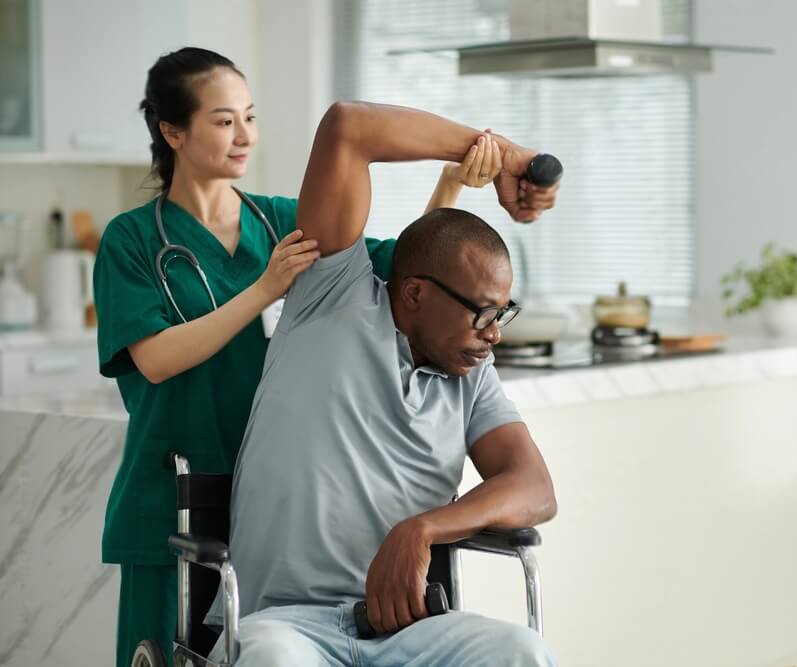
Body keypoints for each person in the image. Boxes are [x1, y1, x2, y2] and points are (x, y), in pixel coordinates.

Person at [93, 46, 530, 667]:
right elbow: (156, 360)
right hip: (175, 484)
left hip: (279, 486)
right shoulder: (132, 239)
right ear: (172, 131)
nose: (244, 135)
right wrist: (265, 290)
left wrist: (453, 182)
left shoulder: (280, 222)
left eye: (250, 116)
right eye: (223, 121)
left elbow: (411, 276)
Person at [207, 101, 560, 666]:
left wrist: (421, 530)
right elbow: (349, 127)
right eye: (482, 313)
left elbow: (535, 488)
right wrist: (504, 156)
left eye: (503, 313)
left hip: (406, 633)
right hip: (285, 627)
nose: (494, 335)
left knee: (522, 651)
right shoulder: (330, 296)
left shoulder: (471, 376)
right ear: (416, 294)